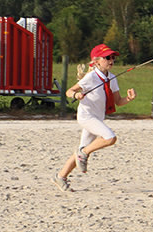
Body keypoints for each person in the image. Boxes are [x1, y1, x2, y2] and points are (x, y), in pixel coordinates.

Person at [52, 44, 137, 192]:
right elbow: (68, 91)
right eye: (107, 58)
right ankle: (83, 153)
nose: (111, 60)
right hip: (86, 117)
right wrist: (76, 95)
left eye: (113, 57)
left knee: (80, 150)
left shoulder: (112, 78)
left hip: (97, 118)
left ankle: (60, 176)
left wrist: (129, 99)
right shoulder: (90, 77)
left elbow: (118, 101)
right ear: (97, 61)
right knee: (110, 138)